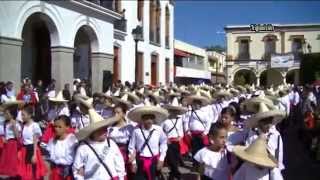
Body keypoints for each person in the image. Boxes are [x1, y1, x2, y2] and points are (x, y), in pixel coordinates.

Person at [72, 102, 125, 180]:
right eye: (101, 130)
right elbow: (76, 168)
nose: (105, 131)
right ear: (93, 132)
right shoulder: (83, 147)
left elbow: (119, 163)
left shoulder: (111, 144)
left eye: (105, 129)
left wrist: (121, 177)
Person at [127, 105, 169, 180]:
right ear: (142, 119)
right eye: (146, 118)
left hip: (154, 161)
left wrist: (161, 159)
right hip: (140, 160)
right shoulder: (136, 131)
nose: (149, 120)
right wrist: (133, 163)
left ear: (153, 119)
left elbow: (163, 143)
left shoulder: (158, 130)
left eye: (151, 118)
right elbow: (131, 147)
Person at [18, 105, 47, 180]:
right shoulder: (23, 126)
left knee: (33, 170)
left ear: (30, 115)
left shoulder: (35, 125)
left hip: (32, 149)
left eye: (23, 115)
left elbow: (35, 141)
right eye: (21, 115)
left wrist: (34, 154)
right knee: (26, 169)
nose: (22, 117)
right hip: (25, 150)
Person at [162, 97, 188, 180]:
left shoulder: (179, 120)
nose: (174, 112)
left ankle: (172, 176)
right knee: (171, 160)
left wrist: (180, 137)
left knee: (175, 159)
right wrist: (166, 139)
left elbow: (181, 131)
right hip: (168, 142)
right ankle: (177, 173)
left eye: (175, 110)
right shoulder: (165, 120)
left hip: (176, 142)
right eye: (172, 110)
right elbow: (161, 131)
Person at [47, 115, 78, 180]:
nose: (56, 129)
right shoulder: (52, 141)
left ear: (67, 127)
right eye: (55, 126)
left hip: (69, 173)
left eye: (59, 127)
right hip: (55, 173)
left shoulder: (72, 139)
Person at [108, 103, 134, 180]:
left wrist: (133, 154)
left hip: (125, 153)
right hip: (112, 153)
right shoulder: (110, 128)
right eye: (114, 113)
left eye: (118, 112)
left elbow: (134, 143)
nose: (116, 115)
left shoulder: (129, 127)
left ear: (123, 114)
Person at [0, 100, 23, 178]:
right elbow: (3, 133)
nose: (5, 115)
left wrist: (14, 128)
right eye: (5, 113)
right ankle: (8, 173)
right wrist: (3, 138)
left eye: (7, 114)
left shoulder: (16, 123)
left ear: (12, 115)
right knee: (6, 159)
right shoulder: (5, 123)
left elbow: (18, 136)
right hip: (7, 143)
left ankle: (13, 173)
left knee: (12, 159)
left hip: (13, 143)